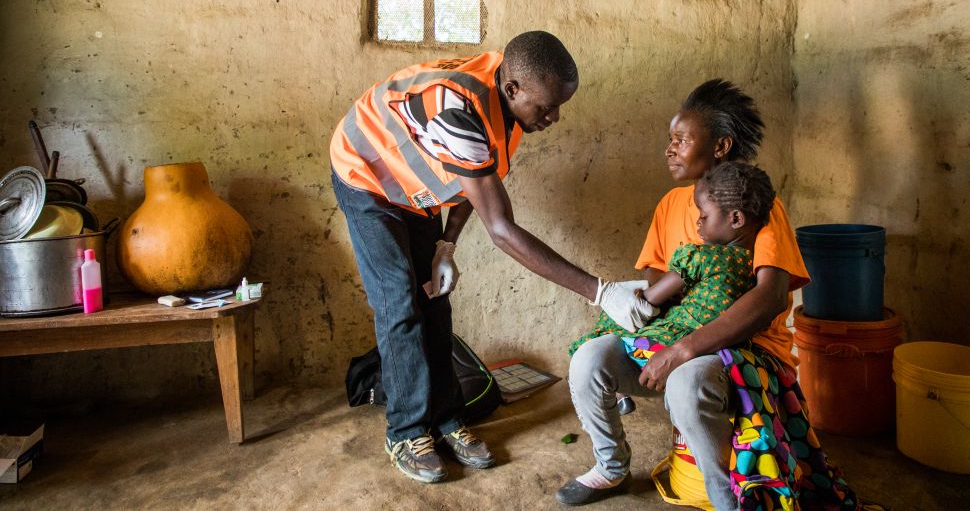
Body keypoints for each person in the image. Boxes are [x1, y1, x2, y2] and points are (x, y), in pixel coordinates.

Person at [329, 31, 656, 485]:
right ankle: (405, 432)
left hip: (412, 191)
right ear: (513, 89)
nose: (555, 117)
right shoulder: (456, 110)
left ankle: (445, 420)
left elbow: (478, 177)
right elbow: (501, 228)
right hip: (366, 174)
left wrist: (446, 245)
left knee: (434, 301)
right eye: (546, 107)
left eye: (560, 106)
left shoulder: (509, 107)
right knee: (400, 304)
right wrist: (599, 291)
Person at [558, 79, 858, 509]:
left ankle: (726, 500)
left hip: (747, 348)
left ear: (720, 147)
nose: (670, 149)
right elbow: (658, 284)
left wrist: (684, 349)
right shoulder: (670, 205)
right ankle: (611, 467)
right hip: (677, 335)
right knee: (590, 358)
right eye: (670, 139)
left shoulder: (760, 209)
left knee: (687, 379)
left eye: (681, 140)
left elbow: (771, 297)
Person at [605, 162, 777, 370]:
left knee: (609, 328)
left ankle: (620, 393)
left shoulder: (701, 257)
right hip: (729, 346)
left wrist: (623, 296)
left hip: (672, 340)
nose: (698, 222)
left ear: (736, 218)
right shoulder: (757, 267)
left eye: (704, 216)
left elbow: (649, 300)